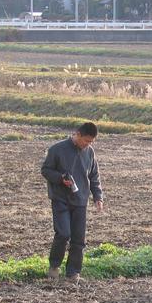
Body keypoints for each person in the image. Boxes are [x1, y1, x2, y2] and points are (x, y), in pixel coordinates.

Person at [41, 121, 104, 284]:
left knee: (79, 239)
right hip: (60, 199)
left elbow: (94, 175)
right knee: (63, 234)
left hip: (80, 200)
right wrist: (60, 178)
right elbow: (45, 170)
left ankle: (73, 272)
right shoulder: (57, 149)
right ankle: (54, 267)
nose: (88, 144)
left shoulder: (89, 152)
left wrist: (98, 196)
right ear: (78, 134)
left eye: (91, 142)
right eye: (86, 141)